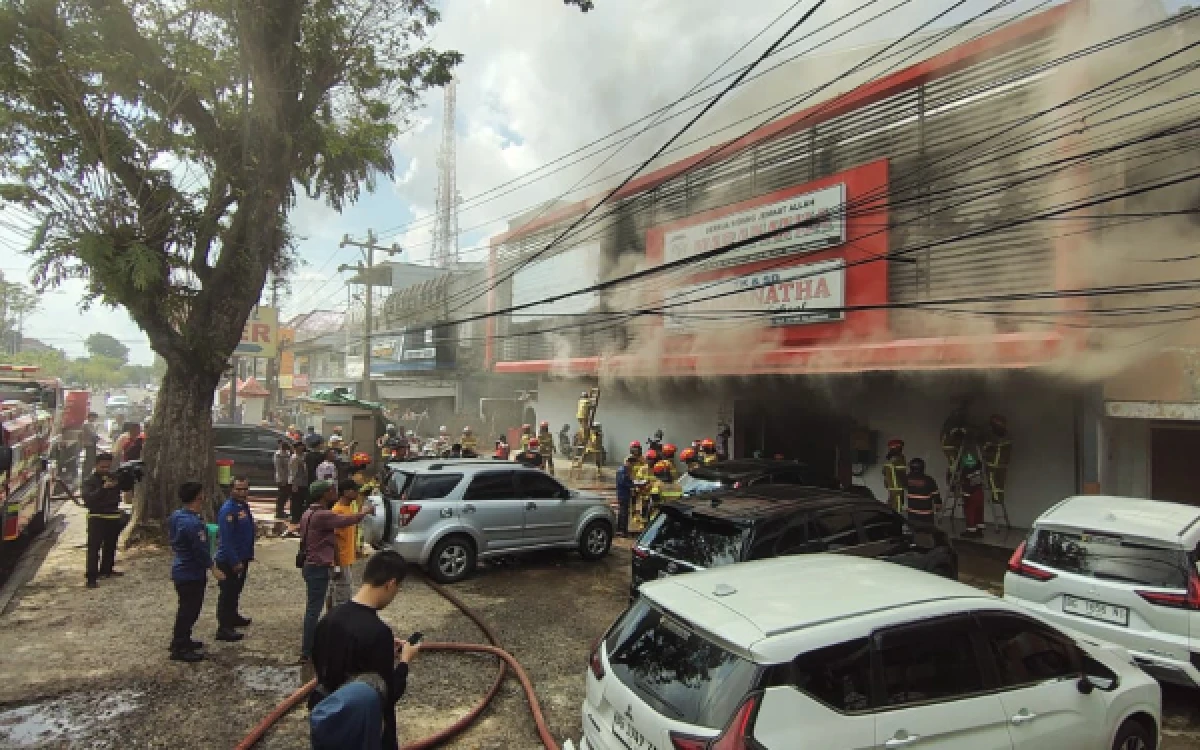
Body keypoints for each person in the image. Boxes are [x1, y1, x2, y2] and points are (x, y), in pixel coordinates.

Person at [311, 550, 420, 750]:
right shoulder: (379, 633)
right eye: (397, 589)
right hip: (364, 732)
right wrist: (405, 661)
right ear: (390, 584)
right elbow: (387, 695)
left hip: (330, 721)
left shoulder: (328, 620)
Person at [299, 480, 374, 665]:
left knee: (318, 605)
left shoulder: (308, 513)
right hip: (317, 567)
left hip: (312, 566)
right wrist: (365, 511)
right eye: (331, 490)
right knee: (313, 610)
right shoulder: (323, 515)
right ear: (323, 494)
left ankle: (315, 644)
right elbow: (346, 521)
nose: (334, 492)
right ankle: (307, 651)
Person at [168, 481, 226, 662]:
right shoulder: (193, 523)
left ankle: (183, 639)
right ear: (198, 497)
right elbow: (200, 550)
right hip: (190, 572)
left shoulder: (177, 516)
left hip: (181, 568)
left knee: (186, 608)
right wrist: (213, 568)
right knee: (189, 610)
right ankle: (179, 646)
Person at [214, 477, 255, 642]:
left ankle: (233, 616)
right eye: (238, 489)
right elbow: (226, 539)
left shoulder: (243, 506)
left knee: (236, 590)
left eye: (244, 489)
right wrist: (234, 561)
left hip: (242, 556)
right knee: (227, 593)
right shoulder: (228, 510)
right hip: (229, 559)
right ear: (231, 490)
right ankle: (224, 627)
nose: (242, 492)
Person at [81, 452, 127, 588]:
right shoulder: (89, 481)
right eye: (102, 467)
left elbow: (124, 490)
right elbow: (88, 499)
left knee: (110, 545)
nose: (105, 470)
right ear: (96, 466)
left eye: (107, 467)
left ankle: (106, 569)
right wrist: (103, 489)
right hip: (97, 517)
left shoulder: (113, 477)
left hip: (112, 515)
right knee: (94, 548)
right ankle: (91, 577)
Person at [327, 479, 363, 612]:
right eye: (354, 490)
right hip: (340, 559)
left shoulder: (349, 508)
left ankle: (330, 617)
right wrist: (337, 564)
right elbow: (334, 539)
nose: (357, 492)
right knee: (343, 595)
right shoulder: (338, 511)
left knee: (335, 590)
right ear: (346, 492)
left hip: (346, 557)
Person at [904, 457, 942, 527]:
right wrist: (938, 505)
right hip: (926, 514)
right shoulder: (929, 479)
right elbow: (936, 494)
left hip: (912, 513)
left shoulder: (907, 479)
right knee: (927, 530)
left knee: (914, 530)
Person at [284, 441, 310, 536]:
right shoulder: (294, 458)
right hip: (297, 483)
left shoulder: (303, 456)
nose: (302, 448)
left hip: (303, 483)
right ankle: (295, 518)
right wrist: (294, 484)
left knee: (301, 501)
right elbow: (293, 472)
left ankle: (298, 517)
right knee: (296, 501)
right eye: (299, 447)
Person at [960, 452, 986, 539]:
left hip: (971, 494)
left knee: (970, 513)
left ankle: (971, 531)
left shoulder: (966, 471)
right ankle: (979, 531)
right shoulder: (978, 470)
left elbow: (966, 485)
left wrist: (965, 496)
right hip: (979, 492)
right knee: (979, 512)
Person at [881, 439, 908, 514]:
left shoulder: (888, 459)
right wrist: (906, 484)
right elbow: (901, 473)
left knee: (891, 504)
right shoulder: (899, 458)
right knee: (897, 507)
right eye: (900, 448)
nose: (901, 449)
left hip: (890, 486)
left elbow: (883, 472)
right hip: (898, 487)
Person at [615, 457, 635, 536]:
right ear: (627, 462)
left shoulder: (625, 470)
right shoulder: (622, 471)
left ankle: (620, 529)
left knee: (622, 512)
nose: (632, 465)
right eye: (631, 463)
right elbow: (623, 482)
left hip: (624, 494)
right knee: (624, 513)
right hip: (623, 494)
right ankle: (623, 530)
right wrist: (633, 485)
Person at [81, 412, 100, 479]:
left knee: (91, 460)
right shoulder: (87, 424)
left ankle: (87, 475)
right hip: (89, 444)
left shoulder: (90, 424)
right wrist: (98, 438)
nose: (95, 419)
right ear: (90, 417)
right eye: (94, 417)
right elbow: (92, 434)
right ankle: (86, 476)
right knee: (89, 461)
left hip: (91, 444)